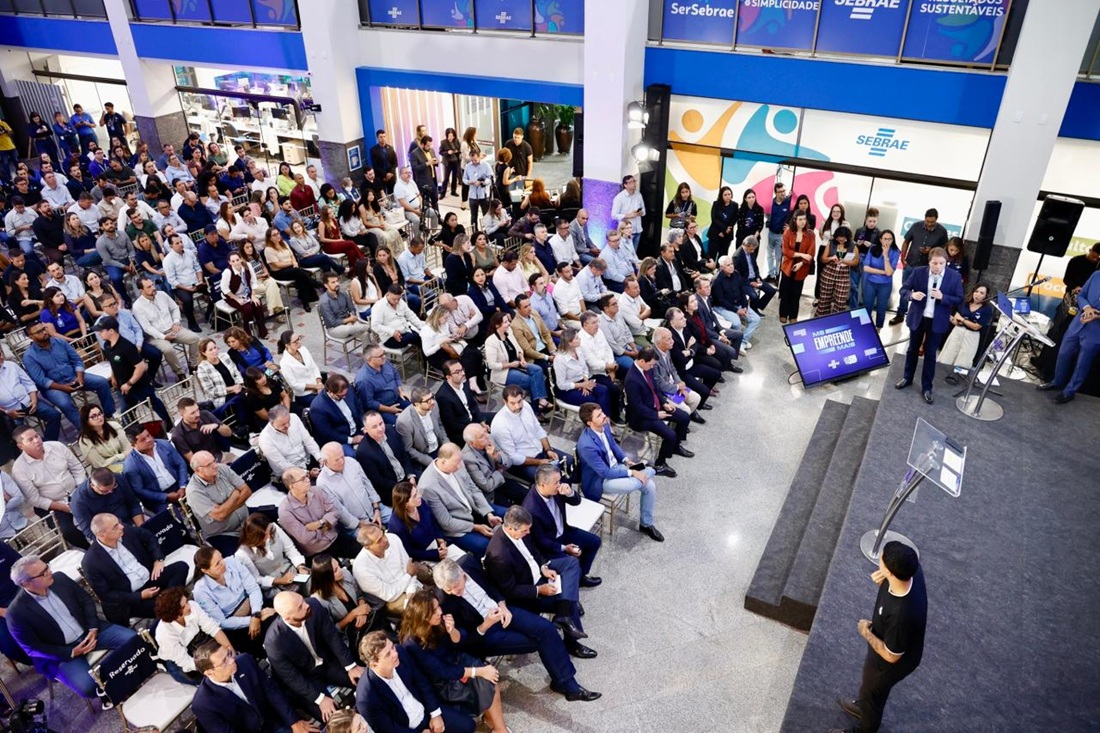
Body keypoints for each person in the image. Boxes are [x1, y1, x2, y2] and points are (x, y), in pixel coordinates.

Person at [432, 557, 600, 700]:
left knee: (546, 629)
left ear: (463, 573)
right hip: (486, 634)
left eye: (458, 588)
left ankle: (566, 683)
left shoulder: (469, 562)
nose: (455, 592)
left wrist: (502, 605)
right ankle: (566, 685)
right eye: (449, 590)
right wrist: (486, 624)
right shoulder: (443, 601)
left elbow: (491, 585)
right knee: (539, 640)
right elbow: (465, 641)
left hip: (502, 611)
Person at [6, 554, 138, 699]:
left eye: (47, 567)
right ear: (25, 583)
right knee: (89, 687)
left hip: (91, 632)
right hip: (62, 653)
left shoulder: (60, 579)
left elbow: (86, 601)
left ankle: (126, 681)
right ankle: (120, 688)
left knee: (136, 641)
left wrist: (93, 628)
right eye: (43, 573)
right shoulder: (16, 613)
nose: (49, 572)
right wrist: (72, 652)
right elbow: (32, 648)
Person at [834, 541, 927, 733]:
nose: (879, 561)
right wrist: (885, 579)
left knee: (872, 696)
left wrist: (866, 632)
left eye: (882, 561)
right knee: (869, 691)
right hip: (890, 641)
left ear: (892, 572)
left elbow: (892, 656)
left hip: (889, 664)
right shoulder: (913, 570)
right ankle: (864, 706)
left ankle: (865, 727)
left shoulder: (902, 614)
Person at [398, 589, 509, 733]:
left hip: (456, 661)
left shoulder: (438, 620)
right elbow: (441, 670)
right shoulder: (412, 644)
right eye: (434, 610)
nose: (440, 611)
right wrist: (478, 672)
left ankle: (494, 723)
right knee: (489, 683)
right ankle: (500, 729)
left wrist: (452, 631)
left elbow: (460, 641)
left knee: (491, 679)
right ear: (423, 616)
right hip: (442, 681)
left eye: (438, 606)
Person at [483, 507, 589, 646]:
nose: (528, 532)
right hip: (528, 589)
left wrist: (543, 567)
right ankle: (572, 643)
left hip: (537, 570)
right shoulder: (499, 556)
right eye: (525, 530)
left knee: (571, 563)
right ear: (510, 528)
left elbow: (533, 550)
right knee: (569, 601)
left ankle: (563, 615)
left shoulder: (522, 531)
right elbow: (510, 590)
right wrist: (539, 590)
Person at [265, 591, 365, 722]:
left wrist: (350, 666)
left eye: (303, 600)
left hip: (328, 662)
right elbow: (292, 678)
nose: (306, 605)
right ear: (287, 618)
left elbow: (332, 637)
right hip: (307, 680)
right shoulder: (273, 642)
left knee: (365, 679)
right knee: (335, 718)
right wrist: (320, 699)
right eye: (300, 607)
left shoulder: (314, 605)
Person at [357, 630, 477, 733]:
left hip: (426, 711)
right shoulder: (366, 698)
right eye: (388, 654)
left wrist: (435, 714)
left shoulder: (400, 652)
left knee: (468, 726)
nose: (395, 653)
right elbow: (390, 730)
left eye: (392, 647)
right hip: (407, 729)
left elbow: (422, 682)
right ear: (374, 664)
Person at [576, 402, 664, 540]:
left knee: (650, 486)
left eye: (602, 412)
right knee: (633, 484)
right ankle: (653, 470)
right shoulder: (587, 445)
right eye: (599, 415)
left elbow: (612, 445)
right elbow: (605, 473)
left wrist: (625, 460)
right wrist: (632, 472)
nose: (604, 416)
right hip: (600, 480)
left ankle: (646, 524)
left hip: (615, 467)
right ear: (589, 423)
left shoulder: (604, 425)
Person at [81, 513, 189, 624]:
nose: (121, 526)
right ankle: (174, 605)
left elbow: (149, 536)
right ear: (102, 534)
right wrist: (140, 596)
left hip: (151, 578)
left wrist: (158, 559)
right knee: (158, 607)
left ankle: (169, 603)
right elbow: (107, 595)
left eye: (119, 522)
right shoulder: (90, 562)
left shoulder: (125, 530)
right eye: (115, 527)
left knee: (180, 567)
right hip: (130, 598)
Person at [192, 644, 319, 733]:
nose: (232, 660)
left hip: (274, 719)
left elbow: (271, 691)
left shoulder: (245, 661)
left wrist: (294, 721)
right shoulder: (203, 704)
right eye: (224, 661)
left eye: (229, 654)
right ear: (209, 672)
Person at [895, 247, 964, 404]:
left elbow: (959, 298)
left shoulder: (954, 276)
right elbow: (903, 289)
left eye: (941, 263)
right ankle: (907, 378)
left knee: (930, 353)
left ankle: (927, 387)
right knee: (912, 349)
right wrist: (912, 295)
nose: (938, 266)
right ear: (929, 262)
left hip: (937, 320)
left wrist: (943, 297)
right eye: (935, 263)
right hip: (919, 317)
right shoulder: (918, 272)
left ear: (946, 262)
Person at [21, 321, 115, 428]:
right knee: (65, 404)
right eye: (39, 332)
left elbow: (77, 360)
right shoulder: (29, 356)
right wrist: (63, 387)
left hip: (73, 376)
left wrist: (79, 377)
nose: (44, 332)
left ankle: (109, 415)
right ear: (31, 337)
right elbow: (41, 380)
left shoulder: (60, 342)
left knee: (101, 382)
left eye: (44, 329)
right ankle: (85, 430)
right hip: (54, 386)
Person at [10, 425, 90, 548]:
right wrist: (64, 507)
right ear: (21, 446)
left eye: (36, 436)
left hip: (77, 490)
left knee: (100, 507)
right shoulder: (19, 469)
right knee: (68, 531)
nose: (36, 440)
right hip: (53, 505)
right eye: (30, 440)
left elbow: (77, 469)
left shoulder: (56, 446)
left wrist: (79, 491)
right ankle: (89, 548)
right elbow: (35, 499)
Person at [418, 443, 503, 557]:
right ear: (443, 462)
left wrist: (488, 514)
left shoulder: (457, 461)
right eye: (456, 464)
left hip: (474, 508)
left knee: (508, 515)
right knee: (484, 545)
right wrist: (476, 528)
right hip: (458, 525)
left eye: (459, 461)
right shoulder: (427, 487)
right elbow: (446, 522)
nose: (459, 466)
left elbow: (473, 489)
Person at [521, 463, 601, 582]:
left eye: (559, 480)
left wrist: (570, 493)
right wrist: (564, 548)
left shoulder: (556, 490)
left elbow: (576, 502)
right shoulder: (531, 509)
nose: (560, 484)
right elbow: (541, 541)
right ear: (543, 485)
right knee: (572, 565)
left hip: (564, 530)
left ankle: (581, 576)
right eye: (556, 482)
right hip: (550, 544)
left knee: (594, 542)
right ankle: (575, 580)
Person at [193, 545, 275, 658]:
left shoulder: (233, 562)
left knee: (276, 622)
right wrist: (252, 620)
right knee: (262, 645)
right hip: (236, 626)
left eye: (221, 558)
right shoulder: (200, 591)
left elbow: (253, 589)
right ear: (205, 570)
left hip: (256, 607)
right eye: (217, 564)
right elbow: (222, 622)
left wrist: (256, 614)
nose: (223, 563)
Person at [93, 316, 172, 425]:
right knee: (127, 411)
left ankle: (169, 423)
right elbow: (112, 362)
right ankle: (132, 429)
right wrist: (113, 376)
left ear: (111, 331)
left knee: (153, 403)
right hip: (122, 385)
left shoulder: (127, 347)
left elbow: (141, 367)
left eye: (101, 331)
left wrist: (129, 383)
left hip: (139, 385)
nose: (99, 333)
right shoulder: (107, 345)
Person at [623, 347, 688, 477]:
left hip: (655, 406)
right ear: (642, 361)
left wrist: (664, 403)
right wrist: (656, 415)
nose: (652, 367)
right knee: (670, 435)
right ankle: (660, 464)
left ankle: (675, 447)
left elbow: (655, 389)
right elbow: (637, 406)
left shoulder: (648, 369)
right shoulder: (632, 379)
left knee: (684, 417)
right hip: (641, 416)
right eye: (651, 364)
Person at [1039, 269, 1100, 404]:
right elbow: (1082, 295)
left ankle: (1069, 392)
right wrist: (1087, 308)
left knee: (1083, 362)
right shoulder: (1096, 275)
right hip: (1078, 324)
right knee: (1063, 353)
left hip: (1096, 331)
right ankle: (1057, 382)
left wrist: (1096, 315)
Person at [490, 385, 573, 482]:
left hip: (540, 450)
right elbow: (513, 457)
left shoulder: (525, 405)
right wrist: (539, 462)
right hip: (522, 464)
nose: (517, 406)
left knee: (571, 462)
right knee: (553, 480)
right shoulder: (500, 424)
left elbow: (538, 429)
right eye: (513, 403)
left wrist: (548, 450)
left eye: (519, 401)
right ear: (505, 401)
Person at [152, 588, 234, 685]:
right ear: (174, 614)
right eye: (184, 606)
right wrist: (218, 669)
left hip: (201, 643)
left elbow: (213, 629)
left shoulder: (192, 606)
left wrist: (229, 650)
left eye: (186, 601)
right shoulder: (164, 634)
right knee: (220, 679)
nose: (189, 606)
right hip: (182, 663)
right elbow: (186, 662)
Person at [279, 466, 362, 560]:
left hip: (335, 538)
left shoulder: (318, 491)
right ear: (292, 486)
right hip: (317, 552)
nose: (308, 480)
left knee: (365, 552)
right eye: (303, 479)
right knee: (335, 568)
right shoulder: (285, 511)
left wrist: (320, 523)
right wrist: (327, 524)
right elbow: (305, 538)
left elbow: (335, 512)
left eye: (307, 476)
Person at [132, 276, 202, 378]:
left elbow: (174, 308)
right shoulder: (137, 306)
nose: (153, 288)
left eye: (153, 285)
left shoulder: (162, 294)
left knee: (195, 338)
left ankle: (193, 365)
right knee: (168, 349)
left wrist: (176, 322)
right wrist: (164, 337)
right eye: (149, 287)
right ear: (141, 291)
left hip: (172, 328)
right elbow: (147, 328)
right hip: (155, 336)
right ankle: (180, 373)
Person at [186, 452, 253, 555]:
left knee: (274, 514)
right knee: (240, 557)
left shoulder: (222, 469)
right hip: (224, 533)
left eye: (214, 461)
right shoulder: (194, 491)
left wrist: (224, 508)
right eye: (209, 464)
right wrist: (234, 496)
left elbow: (247, 491)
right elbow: (220, 515)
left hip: (247, 518)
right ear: (198, 470)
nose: (215, 465)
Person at [891, 208, 949, 326]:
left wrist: (931, 250)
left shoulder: (942, 231)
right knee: (905, 289)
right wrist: (903, 258)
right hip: (911, 263)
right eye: (927, 221)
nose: (929, 224)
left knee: (923, 292)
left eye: (932, 222)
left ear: (936, 220)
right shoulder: (916, 226)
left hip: (926, 268)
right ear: (924, 218)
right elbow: (906, 241)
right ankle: (900, 314)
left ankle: (917, 318)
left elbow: (943, 248)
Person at [485, 312, 551, 413]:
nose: (509, 324)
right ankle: (536, 409)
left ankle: (540, 400)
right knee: (531, 380)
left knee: (538, 369)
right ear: (497, 325)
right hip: (502, 371)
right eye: (505, 322)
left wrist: (522, 358)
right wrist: (511, 365)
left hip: (516, 363)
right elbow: (492, 365)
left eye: (508, 321)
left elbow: (518, 348)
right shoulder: (491, 341)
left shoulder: (509, 332)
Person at [554, 326, 623, 424]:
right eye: (577, 338)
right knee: (593, 400)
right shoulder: (560, 359)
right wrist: (581, 385)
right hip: (567, 389)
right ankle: (600, 423)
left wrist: (586, 382)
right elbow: (561, 384)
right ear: (570, 343)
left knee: (603, 390)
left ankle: (606, 419)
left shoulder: (578, 350)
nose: (580, 339)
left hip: (582, 381)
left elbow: (584, 369)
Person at [352, 523, 422, 615]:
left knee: (431, 576)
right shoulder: (361, 569)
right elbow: (389, 595)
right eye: (379, 540)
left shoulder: (393, 538)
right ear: (367, 547)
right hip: (390, 600)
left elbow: (409, 567)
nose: (385, 539)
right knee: (420, 608)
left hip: (407, 582)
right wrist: (408, 576)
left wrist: (411, 591)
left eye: (383, 534)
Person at [235, 512, 309, 597]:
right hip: (273, 585)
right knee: (293, 600)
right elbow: (256, 579)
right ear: (255, 536)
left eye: (270, 532)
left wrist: (300, 566)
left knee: (315, 584)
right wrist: (281, 580)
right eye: (265, 535)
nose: (269, 536)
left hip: (291, 571)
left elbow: (290, 548)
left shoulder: (273, 528)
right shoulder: (242, 554)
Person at [355, 411, 418, 506]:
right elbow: (378, 480)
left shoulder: (391, 430)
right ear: (366, 430)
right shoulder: (364, 452)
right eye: (374, 427)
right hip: (391, 488)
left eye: (381, 423)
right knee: (411, 503)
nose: (380, 428)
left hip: (406, 475)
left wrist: (410, 475)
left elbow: (404, 454)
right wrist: (403, 487)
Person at [0, 350, 63, 443]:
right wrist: (7, 412)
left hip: (28, 401)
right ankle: (37, 445)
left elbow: (28, 383)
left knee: (54, 415)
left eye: (0, 354)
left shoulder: (11, 365)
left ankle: (48, 443)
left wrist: (34, 400)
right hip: (10, 410)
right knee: (18, 436)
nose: (1, 357)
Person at [122, 426, 189, 512]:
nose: (149, 440)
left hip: (179, 484)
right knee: (172, 516)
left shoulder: (164, 444)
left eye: (148, 435)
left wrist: (182, 485)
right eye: (143, 440)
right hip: (157, 498)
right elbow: (139, 490)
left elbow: (180, 464)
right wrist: (165, 496)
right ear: (133, 445)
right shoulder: (131, 465)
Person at [461, 423, 527, 508]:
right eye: (481, 436)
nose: (486, 436)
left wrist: (497, 457)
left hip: (502, 479)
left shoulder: (489, 438)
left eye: (485, 432)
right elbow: (487, 486)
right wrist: (500, 470)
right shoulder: (468, 459)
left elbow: (508, 462)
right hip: (492, 493)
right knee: (513, 511)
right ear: (472, 443)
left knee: (527, 496)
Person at [938, 283, 992, 381]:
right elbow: (956, 320)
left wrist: (963, 320)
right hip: (958, 332)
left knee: (964, 358)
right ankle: (941, 375)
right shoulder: (964, 303)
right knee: (949, 353)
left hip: (971, 336)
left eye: (981, 293)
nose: (978, 294)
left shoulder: (987, 309)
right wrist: (949, 316)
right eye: (976, 291)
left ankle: (957, 378)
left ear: (985, 295)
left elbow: (976, 326)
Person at [388, 480, 448, 563]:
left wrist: (441, 540)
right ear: (405, 503)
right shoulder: (396, 525)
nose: (419, 496)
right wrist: (435, 554)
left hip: (437, 546)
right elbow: (409, 551)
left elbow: (433, 521)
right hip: (423, 557)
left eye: (417, 492)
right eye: (414, 496)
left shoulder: (420, 503)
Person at [436, 359, 492, 444]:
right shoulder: (443, 397)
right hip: (461, 430)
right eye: (457, 372)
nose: (463, 373)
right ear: (448, 377)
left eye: (462, 369)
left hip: (472, 418)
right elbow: (452, 425)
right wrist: (477, 428)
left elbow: (473, 405)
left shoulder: (464, 383)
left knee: (497, 418)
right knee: (484, 441)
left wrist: (481, 421)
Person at [355, 344, 412, 426]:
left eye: (384, 353)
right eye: (380, 356)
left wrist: (401, 391)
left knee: (414, 410)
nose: (384, 357)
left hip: (396, 398)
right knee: (400, 425)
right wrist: (389, 409)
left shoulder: (384, 363)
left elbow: (395, 373)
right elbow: (369, 403)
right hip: (381, 409)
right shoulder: (364, 380)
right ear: (370, 360)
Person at [259, 406, 323, 477]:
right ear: (272, 423)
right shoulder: (265, 438)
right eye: (283, 424)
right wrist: (307, 473)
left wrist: (319, 458)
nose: (288, 425)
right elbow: (281, 464)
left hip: (307, 460)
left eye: (288, 421)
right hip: (289, 473)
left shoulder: (294, 417)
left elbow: (308, 440)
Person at [395, 387, 447, 469]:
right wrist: (430, 462)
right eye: (427, 401)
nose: (432, 402)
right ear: (416, 404)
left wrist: (446, 444)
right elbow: (409, 449)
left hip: (439, 446)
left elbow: (440, 425)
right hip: (424, 455)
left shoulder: (433, 405)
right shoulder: (404, 421)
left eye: (432, 397)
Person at [779, 210, 816, 323]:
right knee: (785, 292)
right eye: (800, 219)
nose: (802, 222)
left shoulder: (810, 234)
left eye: (804, 219)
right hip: (787, 266)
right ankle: (783, 313)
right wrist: (801, 254)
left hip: (802, 267)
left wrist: (801, 263)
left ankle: (793, 315)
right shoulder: (788, 232)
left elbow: (811, 253)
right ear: (795, 220)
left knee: (796, 293)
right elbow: (785, 251)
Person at [815, 226, 859, 317]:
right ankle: (821, 318)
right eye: (839, 237)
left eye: (843, 238)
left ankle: (836, 320)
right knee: (824, 298)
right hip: (829, 272)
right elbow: (823, 259)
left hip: (843, 274)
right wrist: (831, 258)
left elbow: (855, 262)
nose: (841, 239)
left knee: (840, 300)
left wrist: (844, 261)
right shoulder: (831, 243)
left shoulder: (853, 246)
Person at [171, 398, 232, 463]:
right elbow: (193, 461)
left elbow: (229, 433)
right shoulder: (178, 435)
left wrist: (217, 426)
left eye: (197, 410)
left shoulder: (205, 415)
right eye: (192, 413)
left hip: (220, 455)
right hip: (206, 464)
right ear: (181, 414)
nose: (198, 414)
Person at [861, 229, 900, 329]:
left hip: (885, 285)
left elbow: (890, 272)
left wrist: (886, 255)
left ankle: (878, 328)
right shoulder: (873, 248)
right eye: (885, 239)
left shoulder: (895, 252)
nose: (887, 241)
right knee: (867, 306)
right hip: (870, 282)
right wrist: (883, 272)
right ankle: (865, 327)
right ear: (880, 239)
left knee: (881, 308)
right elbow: (866, 268)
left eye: (890, 239)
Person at [278, 330, 325, 410]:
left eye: (299, 338)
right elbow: (294, 384)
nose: (299, 342)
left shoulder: (303, 349)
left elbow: (314, 367)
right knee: (324, 404)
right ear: (287, 345)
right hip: (305, 394)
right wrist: (315, 387)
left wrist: (319, 383)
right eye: (295, 341)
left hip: (318, 386)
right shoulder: (284, 362)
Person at [76, 403, 130, 472]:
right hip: (105, 471)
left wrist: (124, 457)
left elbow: (128, 448)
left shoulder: (114, 426)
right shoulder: (85, 441)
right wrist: (122, 456)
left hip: (126, 461)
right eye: (94, 416)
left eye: (100, 414)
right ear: (86, 421)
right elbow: (100, 464)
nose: (99, 417)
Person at [319, 273, 373, 343]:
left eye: (337, 281)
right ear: (326, 285)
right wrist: (348, 320)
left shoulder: (343, 293)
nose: (337, 284)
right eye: (333, 282)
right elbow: (332, 322)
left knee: (364, 333)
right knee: (357, 328)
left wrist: (351, 320)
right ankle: (373, 328)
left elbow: (352, 308)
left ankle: (369, 350)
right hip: (335, 328)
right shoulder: (324, 302)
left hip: (350, 323)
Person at [370, 285, 425, 350]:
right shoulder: (379, 306)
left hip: (405, 330)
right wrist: (392, 332)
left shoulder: (401, 302)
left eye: (398, 299)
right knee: (415, 338)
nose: (396, 301)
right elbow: (375, 326)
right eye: (394, 299)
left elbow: (411, 315)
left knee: (423, 336)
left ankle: (427, 354)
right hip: (390, 338)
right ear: (388, 294)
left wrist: (421, 327)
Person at [369, 130, 399, 195]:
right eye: (381, 137)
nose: (383, 139)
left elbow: (395, 163)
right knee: (383, 195)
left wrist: (390, 174)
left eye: (384, 136)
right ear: (377, 138)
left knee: (393, 194)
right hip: (381, 177)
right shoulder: (373, 150)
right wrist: (385, 175)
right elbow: (375, 165)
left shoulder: (390, 148)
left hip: (391, 176)